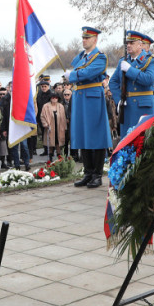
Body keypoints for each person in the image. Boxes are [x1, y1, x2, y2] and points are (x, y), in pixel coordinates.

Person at [69, 26, 111, 188]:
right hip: (80, 98)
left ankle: (97, 175)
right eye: (83, 38)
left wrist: (71, 76)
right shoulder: (81, 57)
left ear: (95, 40)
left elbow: (87, 73)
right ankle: (88, 172)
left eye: (87, 38)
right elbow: (81, 71)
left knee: (96, 135)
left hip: (93, 97)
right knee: (82, 135)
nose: (84, 40)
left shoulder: (100, 57)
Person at [108, 30, 154, 134]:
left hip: (144, 108)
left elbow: (150, 79)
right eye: (127, 43)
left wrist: (129, 70)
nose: (128, 45)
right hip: (127, 107)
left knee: (144, 141)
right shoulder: (123, 61)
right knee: (126, 141)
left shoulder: (151, 60)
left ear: (140, 45)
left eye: (132, 43)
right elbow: (113, 82)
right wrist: (119, 100)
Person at [40, 92, 67, 161]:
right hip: (50, 127)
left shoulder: (60, 106)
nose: (54, 99)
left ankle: (59, 156)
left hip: (59, 127)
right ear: (50, 98)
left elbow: (63, 117)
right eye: (53, 97)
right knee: (51, 142)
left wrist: (64, 127)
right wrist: (45, 124)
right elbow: (42, 116)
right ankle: (50, 157)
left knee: (58, 142)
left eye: (56, 97)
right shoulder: (46, 106)